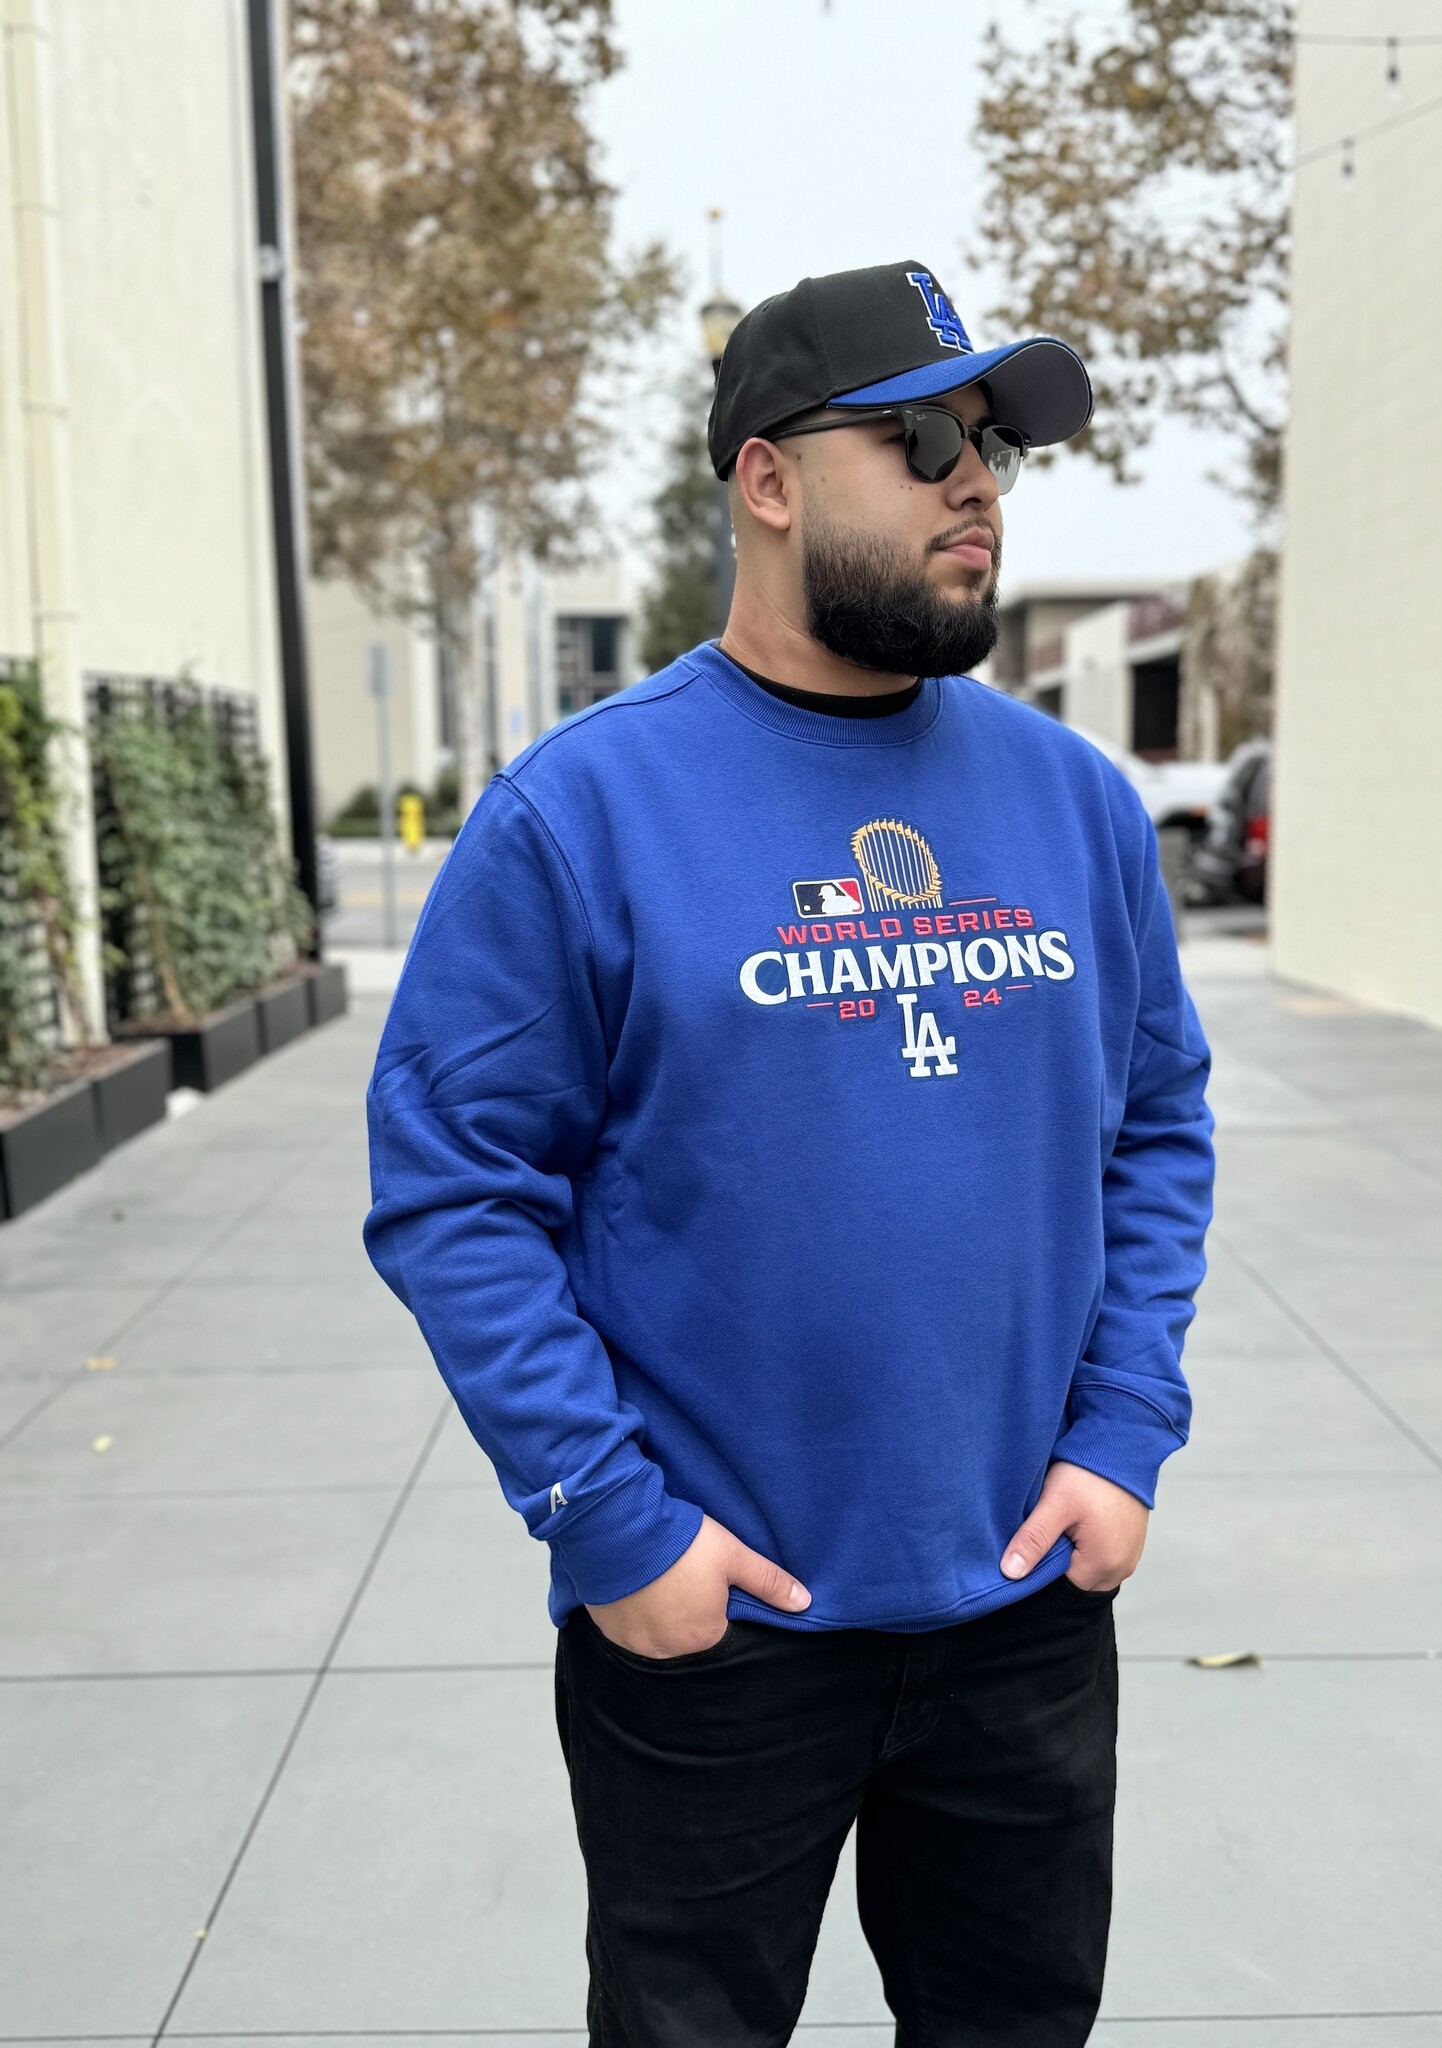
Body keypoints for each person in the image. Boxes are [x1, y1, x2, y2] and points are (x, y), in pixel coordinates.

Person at [365, 259, 1215, 2048]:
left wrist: (1125, 1433)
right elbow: (454, 1188)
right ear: (765, 478)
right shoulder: (579, 815)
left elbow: (1155, 1126)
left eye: (992, 446)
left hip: (1024, 1607)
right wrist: (613, 1528)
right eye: (922, 442)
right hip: (719, 1632)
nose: (976, 487)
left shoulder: (1075, 803)